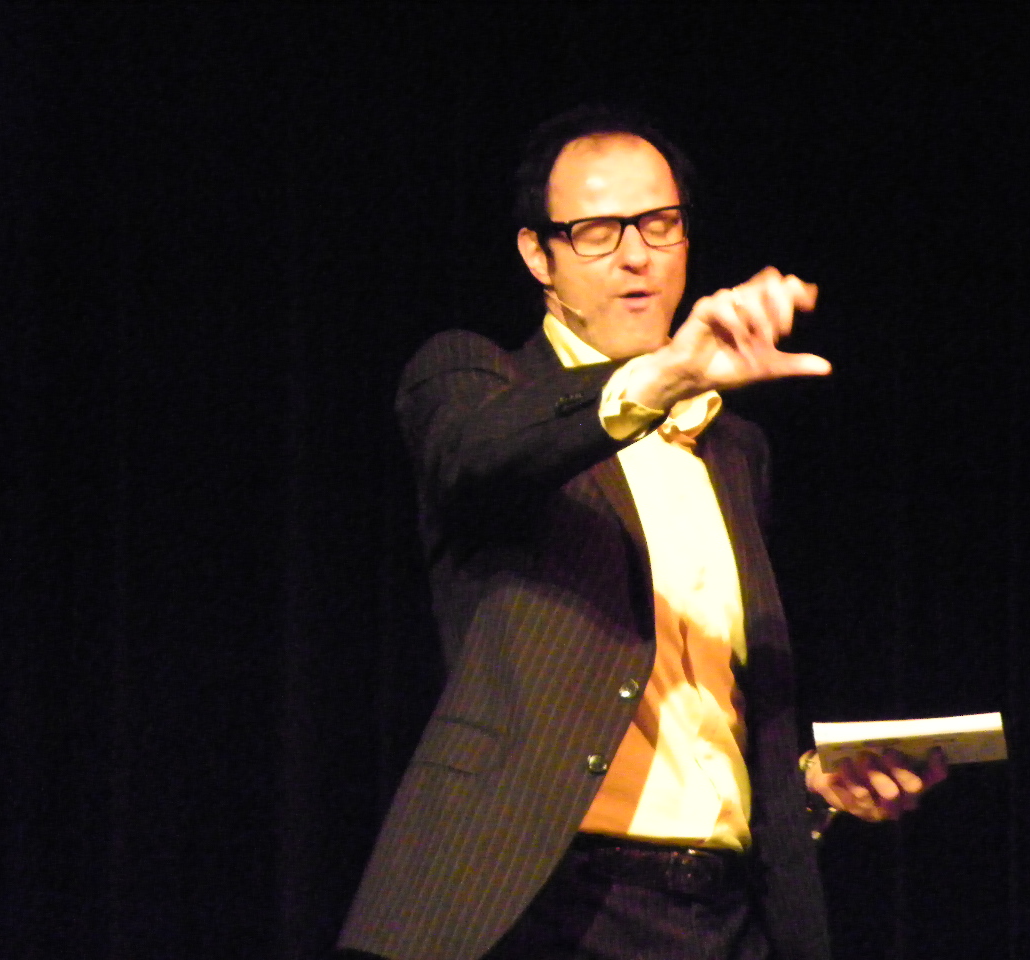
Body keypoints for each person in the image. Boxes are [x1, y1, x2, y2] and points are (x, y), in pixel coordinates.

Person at [338, 106, 946, 960]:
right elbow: (475, 456)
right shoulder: (475, 380)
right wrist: (662, 376)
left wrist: (813, 789)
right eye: (596, 231)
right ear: (538, 256)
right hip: (549, 901)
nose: (636, 255)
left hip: (724, 912)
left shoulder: (733, 448)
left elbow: (706, 711)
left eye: (660, 224)